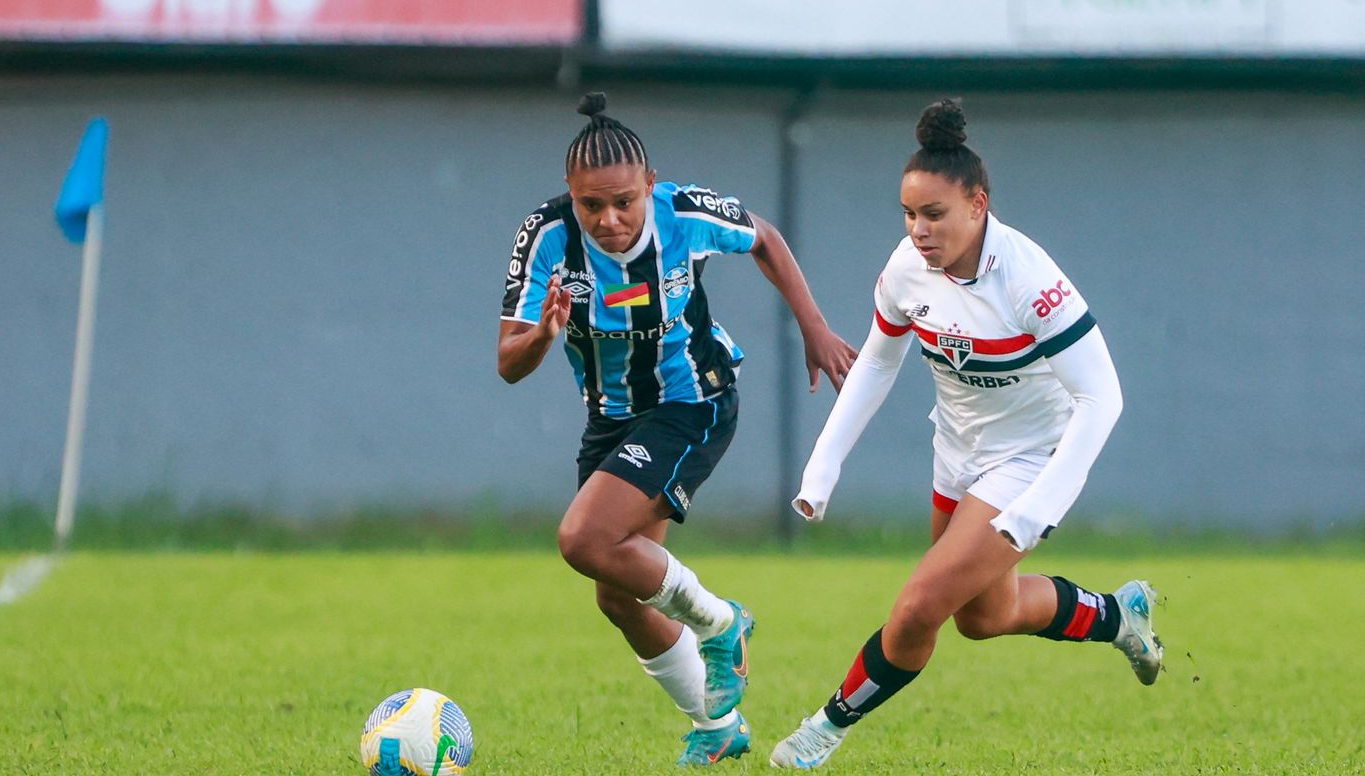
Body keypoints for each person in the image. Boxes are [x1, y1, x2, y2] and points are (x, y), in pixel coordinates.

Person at [768, 98, 1162, 769]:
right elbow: (877, 362)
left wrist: (1038, 509)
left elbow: (1103, 398)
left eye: (934, 214)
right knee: (981, 617)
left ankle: (822, 729)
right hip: (957, 457)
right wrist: (822, 467)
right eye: (909, 214)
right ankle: (1119, 617)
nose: (918, 229)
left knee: (921, 603)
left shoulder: (1030, 281)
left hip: (1028, 463)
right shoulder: (904, 269)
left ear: (978, 204)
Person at [498, 92, 857, 766]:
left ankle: (722, 623)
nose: (609, 219)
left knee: (582, 538)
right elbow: (508, 362)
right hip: (611, 419)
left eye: (623, 201)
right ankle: (717, 726)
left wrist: (812, 325)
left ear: (650, 187)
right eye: (590, 205)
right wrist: (543, 336)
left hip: (693, 400)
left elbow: (765, 239)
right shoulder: (545, 235)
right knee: (618, 593)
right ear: (569, 196)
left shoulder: (683, 212)